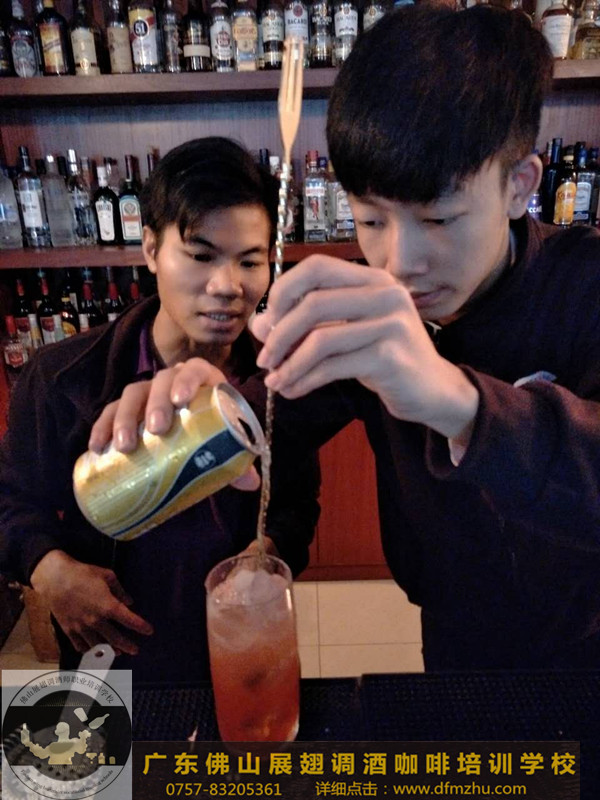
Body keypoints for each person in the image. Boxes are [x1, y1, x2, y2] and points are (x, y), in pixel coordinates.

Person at [92, 5, 600, 671]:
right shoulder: (364, 307)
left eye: (439, 219)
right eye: (371, 220)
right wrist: (217, 407)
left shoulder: (585, 284)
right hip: (452, 637)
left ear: (519, 186)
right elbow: (278, 414)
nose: (399, 263)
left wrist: (462, 404)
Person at [0, 137, 319, 682]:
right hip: (110, 649)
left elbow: (297, 505)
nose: (228, 286)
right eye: (201, 256)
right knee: (96, 743)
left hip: (239, 640)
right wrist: (50, 571)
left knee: (247, 740)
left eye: (250, 261)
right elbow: (12, 501)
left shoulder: (276, 381)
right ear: (150, 249)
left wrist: (266, 553)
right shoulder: (61, 377)